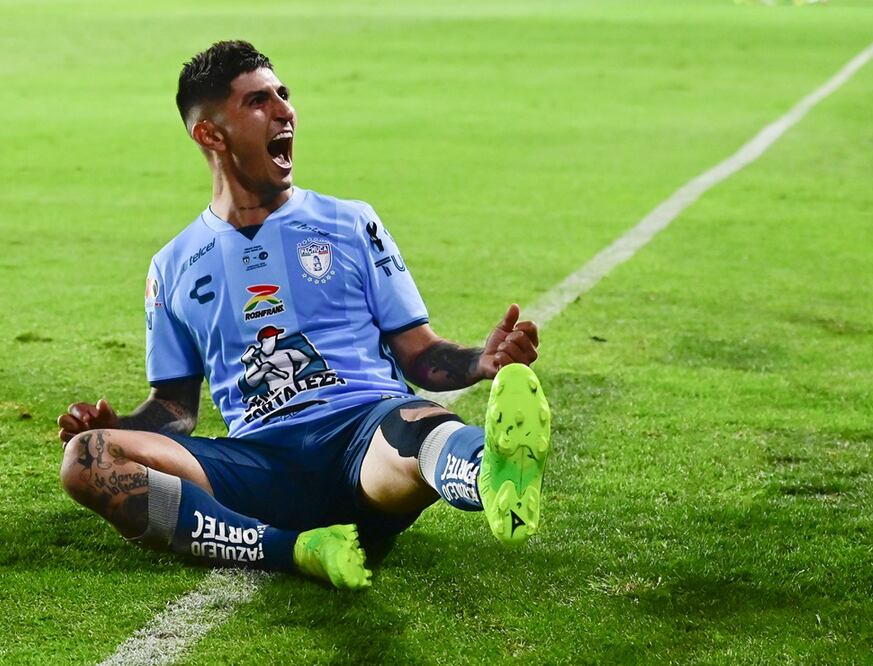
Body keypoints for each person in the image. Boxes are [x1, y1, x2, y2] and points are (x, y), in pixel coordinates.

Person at [56, 41, 551, 590]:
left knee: (421, 425)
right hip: (260, 463)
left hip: (365, 437)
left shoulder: (350, 222)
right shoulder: (171, 266)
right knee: (88, 459)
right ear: (210, 134)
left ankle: (492, 473)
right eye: (258, 102)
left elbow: (422, 356)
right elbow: (175, 409)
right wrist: (117, 427)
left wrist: (480, 360)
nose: (284, 110)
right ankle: (298, 551)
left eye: (283, 95)